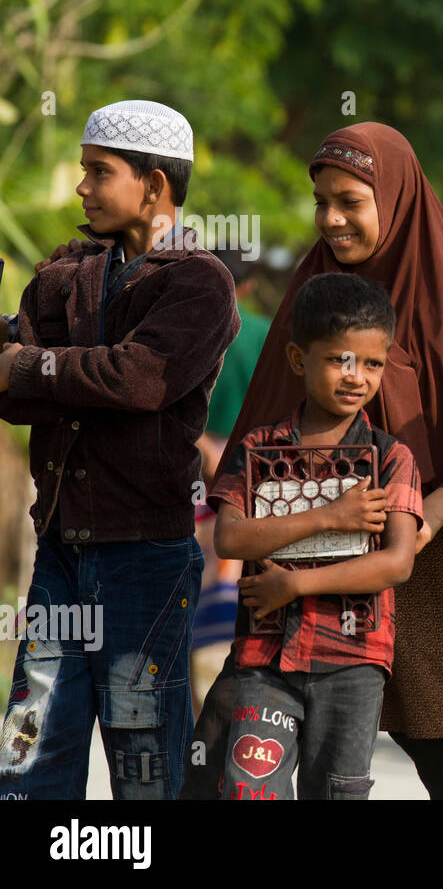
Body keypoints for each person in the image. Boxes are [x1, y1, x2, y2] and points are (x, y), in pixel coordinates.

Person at [183, 122, 443, 800]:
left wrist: (429, 514)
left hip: (432, 567)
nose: (332, 220)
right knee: (244, 763)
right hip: (304, 570)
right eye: (322, 203)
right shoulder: (311, 300)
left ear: (395, 198)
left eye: (350, 202)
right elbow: (260, 440)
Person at [0, 100, 239, 798]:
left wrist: (28, 363)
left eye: (98, 172)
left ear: (156, 184)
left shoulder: (200, 282)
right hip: (59, 554)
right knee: (28, 746)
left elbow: (139, 381)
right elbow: (15, 399)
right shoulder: (63, 273)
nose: (81, 187)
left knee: (145, 762)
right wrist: (43, 370)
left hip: (146, 560)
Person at [207, 273, 422, 799]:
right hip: (266, 659)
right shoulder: (260, 450)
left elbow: (396, 563)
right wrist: (329, 515)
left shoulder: (391, 457)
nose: (358, 377)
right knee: (250, 790)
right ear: (299, 359)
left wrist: (297, 586)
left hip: (353, 659)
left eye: (373, 363)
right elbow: (230, 540)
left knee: (338, 791)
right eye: (340, 360)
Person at [192, 248, 273, 716]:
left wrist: (203, 446)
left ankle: (199, 704)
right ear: (246, 288)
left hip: (195, 472)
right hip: (254, 475)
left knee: (196, 585)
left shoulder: (193, 331)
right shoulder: (265, 333)